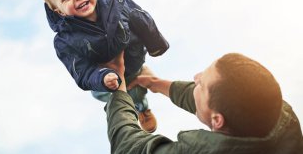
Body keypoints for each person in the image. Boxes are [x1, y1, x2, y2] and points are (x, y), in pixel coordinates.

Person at [42, 0, 169, 132]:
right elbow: (80, 70)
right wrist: (102, 77)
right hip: (104, 77)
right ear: (60, 11)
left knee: (137, 90)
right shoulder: (65, 41)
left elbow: (142, 19)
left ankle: (142, 106)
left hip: (132, 58)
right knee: (112, 96)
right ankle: (131, 110)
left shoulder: (118, 2)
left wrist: (156, 45)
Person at [104, 52, 303, 154]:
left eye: (202, 84)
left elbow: (128, 147)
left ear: (217, 121)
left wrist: (119, 90)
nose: (196, 77)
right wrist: (156, 84)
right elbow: (216, 100)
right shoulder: (277, 113)